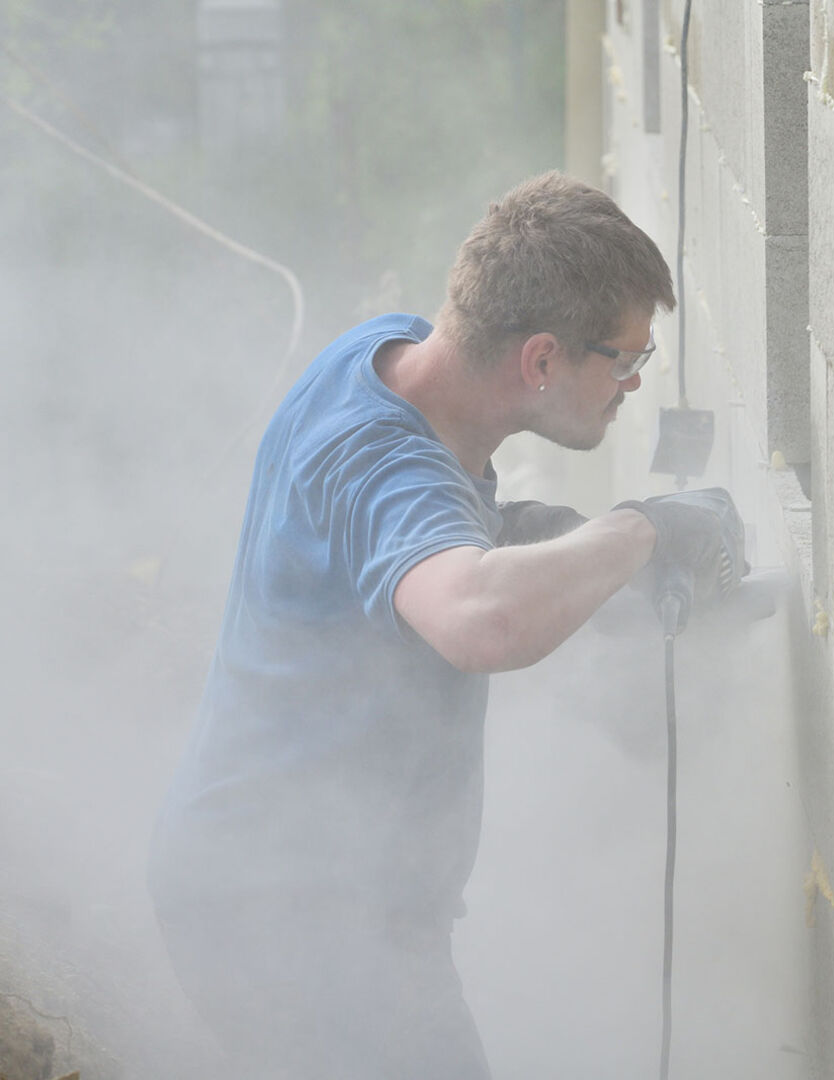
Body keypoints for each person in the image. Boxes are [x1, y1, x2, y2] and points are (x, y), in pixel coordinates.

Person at [147, 172, 740, 1078]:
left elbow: (425, 550)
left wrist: (543, 542)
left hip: (299, 897)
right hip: (289, 914)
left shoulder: (386, 357)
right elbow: (477, 621)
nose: (627, 385)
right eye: (621, 361)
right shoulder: (387, 466)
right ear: (541, 360)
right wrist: (641, 529)